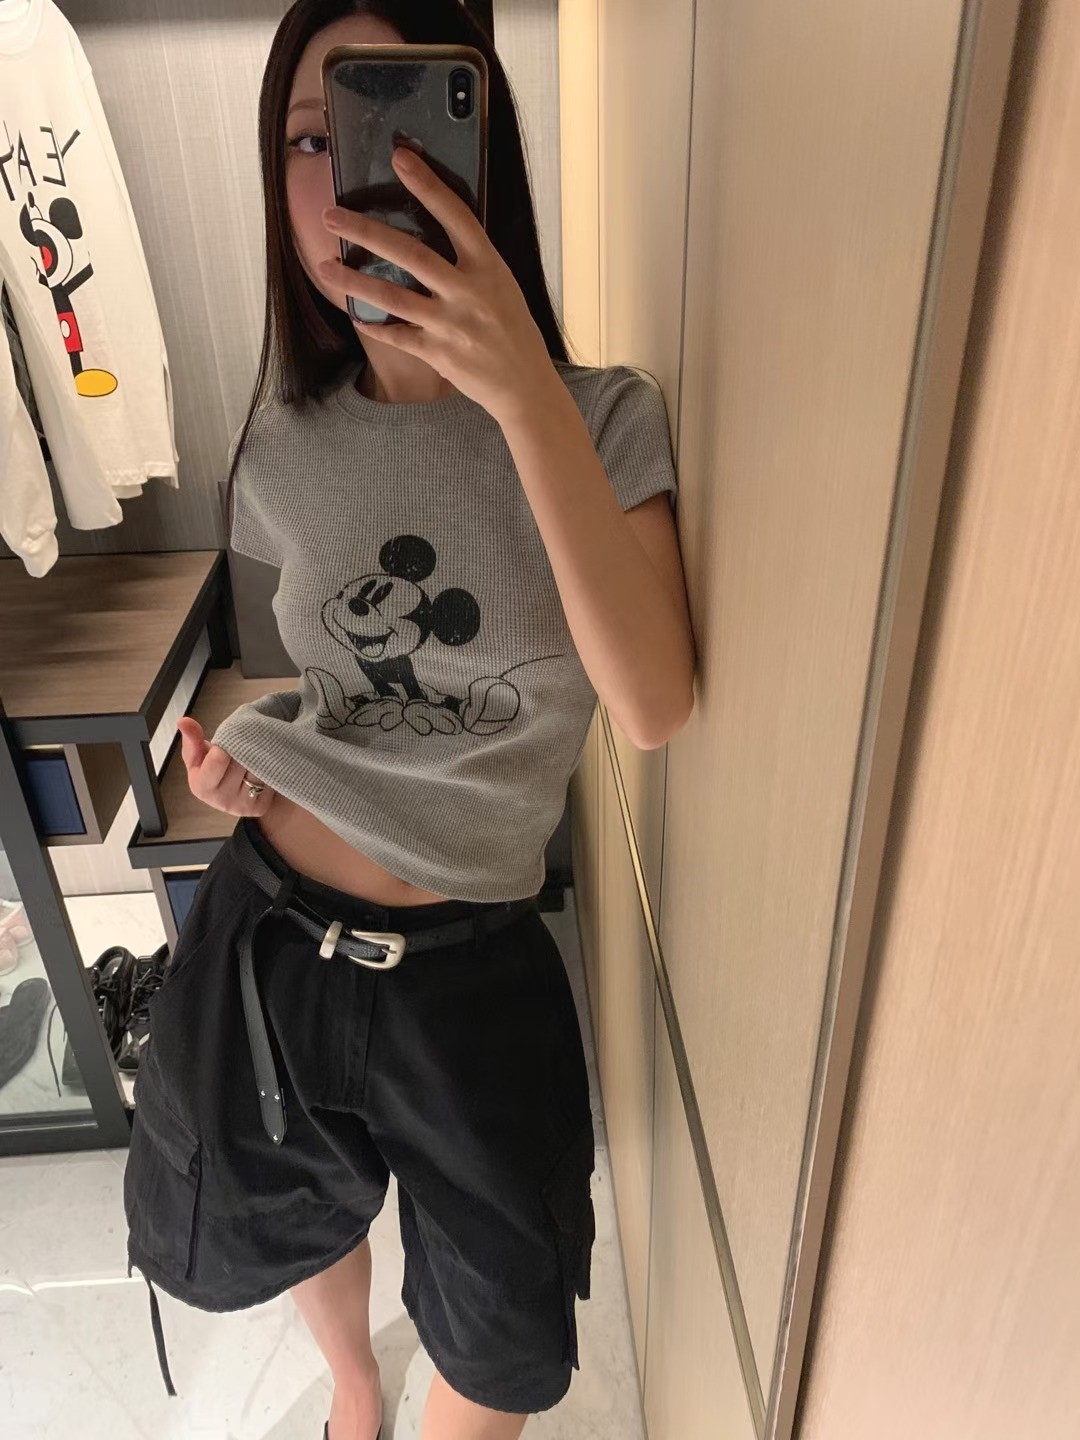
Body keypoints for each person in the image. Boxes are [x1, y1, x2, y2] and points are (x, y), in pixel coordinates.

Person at [122, 3, 696, 1439]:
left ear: (475, 150)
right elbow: (328, 687)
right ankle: (352, 1394)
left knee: (504, 1333)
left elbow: (652, 702)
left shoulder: (603, 418)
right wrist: (253, 768)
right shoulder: (286, 438)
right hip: (267, 925)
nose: (345, 177)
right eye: (306, 140)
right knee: (285, 1209)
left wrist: (518, 390)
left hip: (467, 964)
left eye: (384, 124)